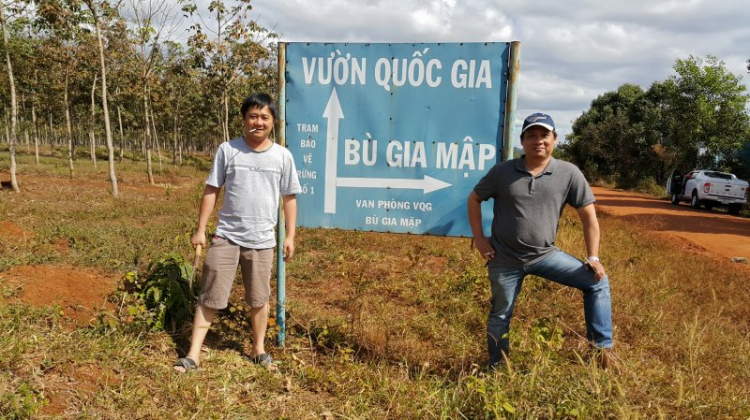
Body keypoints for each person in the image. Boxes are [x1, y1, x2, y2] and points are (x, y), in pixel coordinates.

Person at [467, 112, 616, 370]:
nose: (539, 141)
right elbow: (474, 199)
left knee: (596, 282)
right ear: (522, 141)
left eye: (544, 135)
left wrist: (593, 257)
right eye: (532, 136)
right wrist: (479, 238)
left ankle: (603, 352)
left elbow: (589, 217)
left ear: (555, 139)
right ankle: (497, 368)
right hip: (505, 259)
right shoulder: (503, 171)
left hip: (545, 255)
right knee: (500, 315)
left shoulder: (569, 173)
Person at [173, 93, 302, 373]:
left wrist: (289, 236)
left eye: (264, 117)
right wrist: (200, 230)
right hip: (226, 236)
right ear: (244, 119)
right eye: (253, 116)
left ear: (273, 122)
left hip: (263, 240)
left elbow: (289, 198)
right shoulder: (228, 150)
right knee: (210, 295)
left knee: (259, 298)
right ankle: (193, 354)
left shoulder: (282, 156)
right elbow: (211, 190)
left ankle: (259, 350)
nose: (258, 122)